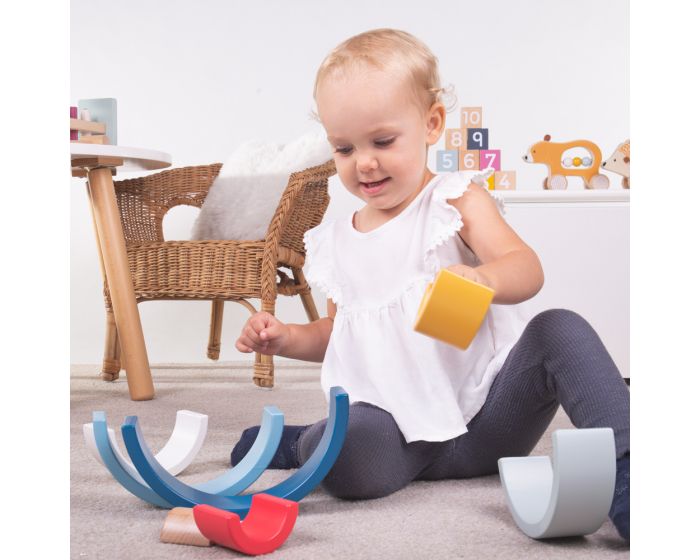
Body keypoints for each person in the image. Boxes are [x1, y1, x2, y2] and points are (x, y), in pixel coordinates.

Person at [232, 28, 630, 542]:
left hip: (489, 419)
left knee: (561, 329)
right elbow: (338, 331)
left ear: (431, 124)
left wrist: (484, 278)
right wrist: (285, 338)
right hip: (394, 437)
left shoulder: (454, 200)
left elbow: (525, 267)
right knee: (346, 447)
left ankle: (633, 473)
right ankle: (303, 443)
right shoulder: (335, 240)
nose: (364, 162)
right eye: (344, 148)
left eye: (383, 141)